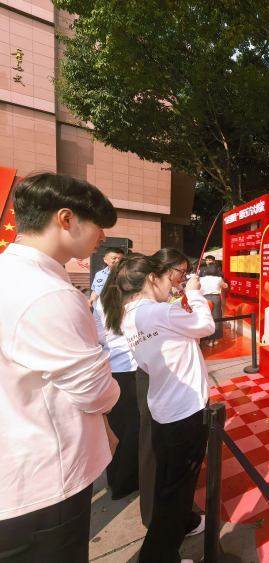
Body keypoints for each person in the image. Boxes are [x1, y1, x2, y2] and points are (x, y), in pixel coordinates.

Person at [0, 173, 121, 562]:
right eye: (99, 225)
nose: (103, 237)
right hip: (46, 484)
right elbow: (96, 391)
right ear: (66, 219)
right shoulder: (49, 293)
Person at [102, 252, 214, 563]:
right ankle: (158, 556)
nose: (174, 284)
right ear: (152, 277)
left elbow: (170, 333)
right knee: (176, 490)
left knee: (170, 481)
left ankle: (182, 526)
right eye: (170, 277)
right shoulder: (159, 312)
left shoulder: (129, 314)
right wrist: (194, 292)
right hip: (186, 409)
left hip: (164, 408)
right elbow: (205, 325)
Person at [93, 293, 140, 500]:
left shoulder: (101, 299)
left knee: (119, 427)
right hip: (131, 368)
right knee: (133, 428)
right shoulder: (133, 298)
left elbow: (97, 336)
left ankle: (118, 482)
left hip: (112, 368)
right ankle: (128, 481)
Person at [199, 262, 228, 345]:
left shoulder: (201, 279)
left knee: (206, 318)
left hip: (205, 298)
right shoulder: (219, 279)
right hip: (216, 298)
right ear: (216, 270)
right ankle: (215, 339)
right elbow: (225, 286)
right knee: (216, 317)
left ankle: (207, 339)